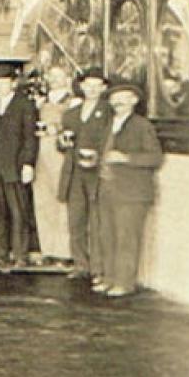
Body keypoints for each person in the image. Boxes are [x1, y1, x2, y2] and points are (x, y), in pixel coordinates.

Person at [96, 82, 164, 298]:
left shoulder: (142, 126)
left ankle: (124, 283)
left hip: (132, 193)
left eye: (124, 97)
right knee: (107, 235)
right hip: (107, 188)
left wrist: (126, 158)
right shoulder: (109, 124)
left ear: (135, 101)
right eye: (115, 98)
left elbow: (155, 158)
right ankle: (109, 278)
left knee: (127, 237)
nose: (119, 102)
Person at [0, 64, 39, 268]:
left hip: (15, 166)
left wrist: (28, 164)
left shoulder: (25, 105)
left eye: (5, 82)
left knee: (19, 212)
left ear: (13, 83)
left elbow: (30, 138)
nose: (0, 86)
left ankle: (21, 255)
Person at [58, 66, 112, 281]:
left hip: (97, 173)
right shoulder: (71, 114)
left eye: (96, 85)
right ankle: (81, 264)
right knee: (76, 220)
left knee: (98, 220)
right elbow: (63, 143)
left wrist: (100, 156)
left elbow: (112, 141)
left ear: (104, 88)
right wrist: (61, 142)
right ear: (81, 86)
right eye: (88, 85)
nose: (91, 89)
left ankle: (99, 268)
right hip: (74, 172)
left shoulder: (108, 112)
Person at [31, 64, 75, 264]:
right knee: (43, 202)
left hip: (61, 155)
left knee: (62, 202)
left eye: (60, 76)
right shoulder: (41, 103)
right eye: (52, 76)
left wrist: (56, 128)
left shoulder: (74, 103)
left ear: (68, 78)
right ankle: (47, 249)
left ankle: (64, 252)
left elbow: (76, 128)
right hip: (40, 156)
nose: (55, 79)